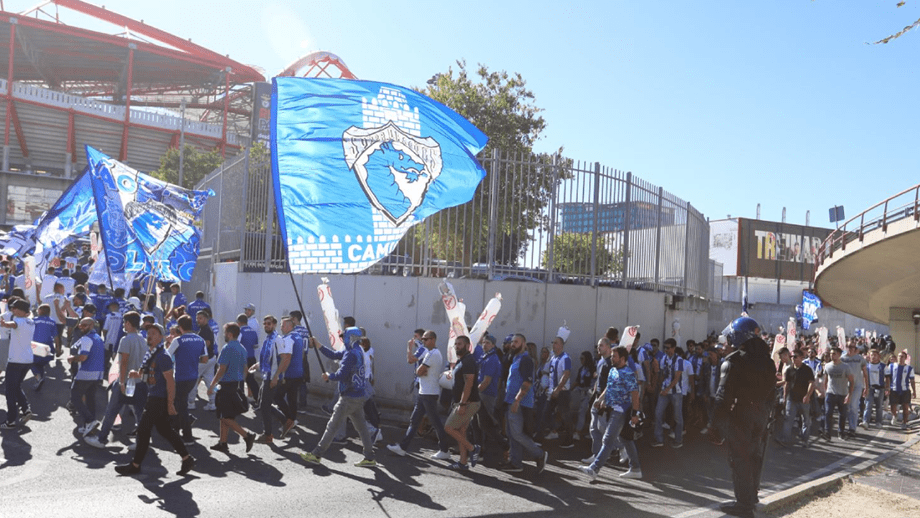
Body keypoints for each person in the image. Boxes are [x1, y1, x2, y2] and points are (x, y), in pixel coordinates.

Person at [713, 317, 777, 518]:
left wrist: (715, 426)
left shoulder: (733, 361)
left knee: (740, 458)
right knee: (755, 457)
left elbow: (723, 397)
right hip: (761, 414)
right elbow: (772, 392)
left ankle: (743, 505)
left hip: (742, 415)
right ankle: (751, 497)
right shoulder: (768, 361)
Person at [114, 323, 195, 476]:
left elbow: (170, 381)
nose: (149, 335)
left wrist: (170, 403)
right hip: (154, 396)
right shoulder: (151, 354)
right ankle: (187, 458)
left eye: (153, 333)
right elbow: (149, 376)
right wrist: (136, 375)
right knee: (165, 430)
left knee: (143, 430)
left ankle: (135, 465)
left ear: (161, 337)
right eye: (148, 333)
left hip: (159, 399)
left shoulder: (163, 356)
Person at [300, 327, 376, 467]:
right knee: (362, 428)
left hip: (348, 397)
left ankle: (316, 454)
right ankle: (369, 457)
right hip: (358, 396)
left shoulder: (351, 354)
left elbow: (341, 375)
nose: (342, 339)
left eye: (343, 336)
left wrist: (329, 376)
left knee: (332, 426)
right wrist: (319, 345)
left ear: (351, 337)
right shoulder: (357, 350)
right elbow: (335, 355)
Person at [579, 344, 642, 481]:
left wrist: (635, 414)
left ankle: (594, 468)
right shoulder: (613, 370)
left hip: (621, 411)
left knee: (607, 439)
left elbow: (635, 394)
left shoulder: (628, 373)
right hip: (611, 409)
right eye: (612, 356)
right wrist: (600, 399)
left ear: (623, 358)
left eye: (615, 356)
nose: (612, 358)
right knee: (626, 440)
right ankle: (636, 469)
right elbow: (609, 388)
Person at [86, 311, 148, 449]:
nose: (123, 325)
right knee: (139, 414)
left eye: (124, 322)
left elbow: (123, 362)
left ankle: (101, 440)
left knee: (111, 412)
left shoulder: (125, 340)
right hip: (139, 382)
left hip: (125, 382)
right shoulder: (143, 340)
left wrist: (120, 382)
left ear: (128, 323)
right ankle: (141, 441)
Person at [387, 330, 451, 460]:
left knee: (436, 423)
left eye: (425, 339)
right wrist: (419, 368)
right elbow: (417, 368)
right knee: (414, 421)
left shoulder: (433, 354)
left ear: (432, 340)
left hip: (429, 393)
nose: (423, 341)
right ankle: (403, 448)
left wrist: (420, 370)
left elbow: (419, 371)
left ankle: (445, 449)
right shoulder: (430, 352)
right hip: (424, 392)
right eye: (422, 339)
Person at [499, 333, 547, 474]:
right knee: (511, 433)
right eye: (512, 341)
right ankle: (516, 463)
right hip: (510, 401)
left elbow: (527, 382)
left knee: (517, 434)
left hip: (519, 403)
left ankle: (539, 454)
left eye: (517, 341)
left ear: (524, 344)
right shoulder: (515, 358)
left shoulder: (526, 359)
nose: (513, 344)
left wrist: (517, 400)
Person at [207, 322, 256, 454]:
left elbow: (221, 369)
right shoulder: (242, 348)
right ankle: (223, 443)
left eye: (225, 333)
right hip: (236, 385)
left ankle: (247, 435)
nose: (224, 335)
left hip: (226, 386)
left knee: (224, 417)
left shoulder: (227, 348)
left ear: (229, 334)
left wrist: (211, 385)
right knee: (227, 415)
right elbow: (245, 370)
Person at [443, 336, 481, 470]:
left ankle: (472, 448)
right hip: (464, 402)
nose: (457, 346)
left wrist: (463, 404)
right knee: (461, 430)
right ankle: (463, 463)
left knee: (449, 427)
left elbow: (469, 383)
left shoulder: (468, 361)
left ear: (467, 345)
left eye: (459, 344)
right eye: (455, 344)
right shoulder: (462, 360)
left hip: (468, 403)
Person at [171, 315, 208, 444]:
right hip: (193, 377)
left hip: (180, 377)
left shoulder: (178, 340)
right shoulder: (200, 340)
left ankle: (187, 436)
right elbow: (204, 359)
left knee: (180, 406)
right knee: (179, 403)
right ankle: (175, 430)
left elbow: (167, 356)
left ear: (180, 327)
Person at [251, 315, 288, 445]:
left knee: (264, 406)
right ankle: (286, 421)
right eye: (265, 323)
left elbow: (284, 358)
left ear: (274, 325)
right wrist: (258, 365)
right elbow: (268, 358)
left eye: (269, 324)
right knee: (262, 404)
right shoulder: (268, 339)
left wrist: (276, 376)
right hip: (267, 376)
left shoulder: (277, 339)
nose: (266, 326)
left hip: (272, 377)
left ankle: (268, 435)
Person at [0, 299, 35, 429]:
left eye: (15, 308)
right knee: (16, 386)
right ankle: (26, 409)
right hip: (27, 360)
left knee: (10, 391)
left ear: (21, 310)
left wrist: (4, 324)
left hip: (15, 361)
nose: (12, 310)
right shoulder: (31, 321)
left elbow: (12, 324)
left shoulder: (18, 321)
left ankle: (10, 421)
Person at [68, 317, 106, 436]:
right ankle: (88, 425)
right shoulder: (98, 338)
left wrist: (73, 358)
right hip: (97, 374)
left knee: (75, 398)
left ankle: (90, 421)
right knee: (90, 399)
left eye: (84, 325)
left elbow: (83, 357)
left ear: (91, 325)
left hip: (86, 373)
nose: (81, 327)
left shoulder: (86, 339)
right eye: (80, 325)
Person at [776, 349, 815, 447]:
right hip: (792, 398)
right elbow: (787, 384)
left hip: (803, 399)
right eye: (792, 356)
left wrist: (807, 395)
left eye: (796, 357)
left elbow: (811, 383)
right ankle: (785, 439)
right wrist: (785, 397)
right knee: (788, 419)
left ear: (802, 358)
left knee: (805, 420)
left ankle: (804, 439)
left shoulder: (807, 370)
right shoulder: (789, 370)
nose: (793, 358)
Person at [652, 338, 685, 448]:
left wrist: (666, 389)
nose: (666, 350)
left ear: (674, 348)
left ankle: (678, 439)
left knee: (677, 417)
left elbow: (676, 378)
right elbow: (662, 374)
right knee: (658, 413)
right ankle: (659, 438)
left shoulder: (679, 360)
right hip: (664, 391)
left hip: (675, 392)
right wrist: (659, 384)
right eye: (665, 347)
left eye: (668, 347)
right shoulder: (663, 358)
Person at [274, 316, 302, 440]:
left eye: (283, 325)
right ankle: (292, 422)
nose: (281, 327)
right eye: (281, 325)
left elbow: (286, 358)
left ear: (290, 326)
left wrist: (279, 373)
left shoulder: (289, 338)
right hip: (298, 373)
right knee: (292, 398)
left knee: (277, 396)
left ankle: (289, 420)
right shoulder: (298, 337)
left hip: (290, 374)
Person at [821, 347, 855, 441]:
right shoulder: (827, 366)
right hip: (830, 393)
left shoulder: (845, 367)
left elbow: (852, 381)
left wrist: (849, 395)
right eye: (831, 354)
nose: (832, 356)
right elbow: (826, 379)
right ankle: (827, 433)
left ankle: (841, 432)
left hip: (842, 394)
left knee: (842, 414)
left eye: (834, 354)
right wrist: (825, 391)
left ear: (839, 355)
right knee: (828, 413)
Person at [840, 341, 868, 437]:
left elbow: (865, 374)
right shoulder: (842, 358)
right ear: (846, 347)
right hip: (845, 386)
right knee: (846, 407)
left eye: (853, 346)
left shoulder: (860, 359)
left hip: (857, 386)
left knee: (853, 406)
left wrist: (866, 387)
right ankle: (845, 427)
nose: (851, 348)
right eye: (849, 346)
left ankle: (852, 428)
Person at [885, 349, 915, 430]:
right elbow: (888, 378)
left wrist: (914, 391)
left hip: (905, 390)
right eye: (899, 356)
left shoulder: (909, 368)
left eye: (902, 357)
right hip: (894, 389)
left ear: (905, 358)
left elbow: (912, 380)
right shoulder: (891, 366)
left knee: (905, 407)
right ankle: (894, 415)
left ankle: (904, 422)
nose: (900, 358)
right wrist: (887, 388)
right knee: (893, 407)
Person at [237, 313, 260, 402]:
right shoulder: (253, 331)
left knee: (241, 379)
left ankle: (241, 398)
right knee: (251, 379)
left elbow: (237, 345)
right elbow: (255, 346)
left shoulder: (239, 332)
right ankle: (257, 397)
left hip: (243, 358)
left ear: (238, 322)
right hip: (252, 358)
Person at [862, 349, 885, 429]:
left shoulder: (883, 366)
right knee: (868, 405)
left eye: (875, 355)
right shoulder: (867, 366)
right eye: (872, 355)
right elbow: (864, 378)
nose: (873, 357)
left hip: (880, 389)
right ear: (869, 356)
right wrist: (865, 388)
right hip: (870, 388)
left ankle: (878, 422)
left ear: (879, 356)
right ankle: (865, 421)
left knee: (879, 406)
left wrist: (887, 388)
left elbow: (888, 378)